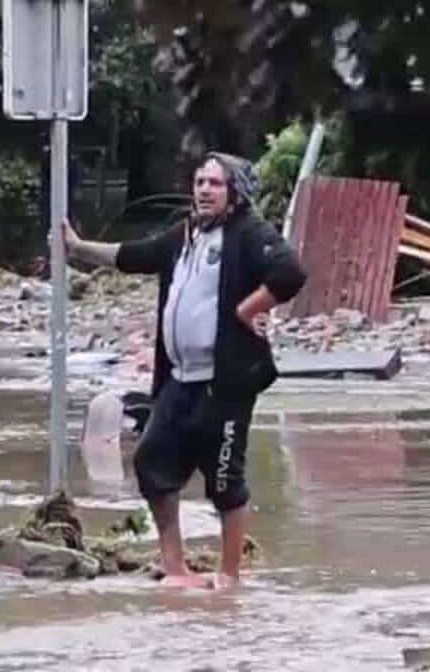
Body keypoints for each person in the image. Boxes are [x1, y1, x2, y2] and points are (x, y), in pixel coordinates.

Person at [61, 151, 306, 590]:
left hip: (226, 382)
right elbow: (132, 255)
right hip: (179, 379)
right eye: (199, 182)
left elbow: (290, 272)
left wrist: (250, 309)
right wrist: (77, 248)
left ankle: (228, 577)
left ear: (234, 194)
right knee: (150, 462)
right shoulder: (183, 236)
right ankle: (175, 568)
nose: (204, 190)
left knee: (226, 480)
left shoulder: (248, 233)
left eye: (214, 183)